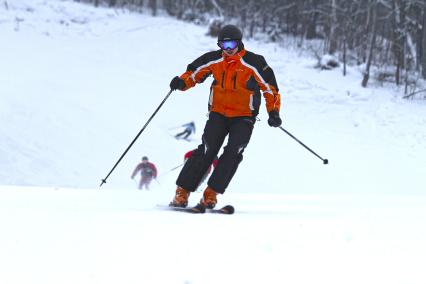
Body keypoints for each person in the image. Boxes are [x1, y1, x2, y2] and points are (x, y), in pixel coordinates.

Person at [168, 25, 282, 208]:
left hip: (244, 116)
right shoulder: (214, 59)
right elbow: (194, 73)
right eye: (223, 44)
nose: (228, 49)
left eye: (232, 44)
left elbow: (270, 89)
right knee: (207, 149)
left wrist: (273, 112)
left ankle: (211, 194)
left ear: (239, 42)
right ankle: (182, 191)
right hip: (218, 114)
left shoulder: (254, 62)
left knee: (233, 152)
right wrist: (181, 82)